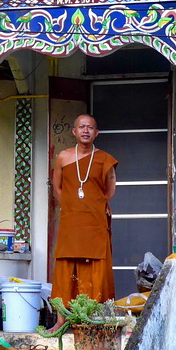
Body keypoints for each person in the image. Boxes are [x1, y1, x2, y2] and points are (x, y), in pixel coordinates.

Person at [51, 114, 118, 307]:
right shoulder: (63, 157)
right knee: (65, 267)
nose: (86, 131)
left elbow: (110, 189)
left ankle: (94, 315)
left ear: (96, 133)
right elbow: (57, 188)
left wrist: (93, 206)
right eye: (82, 127)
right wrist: (73, 207)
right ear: (74, 131)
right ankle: (62, 318)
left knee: (96, 267)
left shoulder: (105, 159)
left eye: (90, 128)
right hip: (70, 221)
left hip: (95, 221)